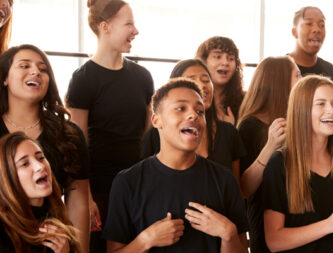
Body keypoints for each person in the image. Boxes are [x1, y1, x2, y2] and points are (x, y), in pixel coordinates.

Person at [104, 78, 248, 252]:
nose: (193, 115)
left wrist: (229, 233)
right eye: (181, 108)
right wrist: (145, 240)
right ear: (157, 120)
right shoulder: (128, 182)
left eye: (200, 111)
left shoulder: (224, 180)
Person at [66, 1, 154, 251]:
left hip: (138, 188)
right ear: (105, 27)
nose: (135, 31)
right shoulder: (83, 79)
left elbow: (149, 136)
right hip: (100, 192)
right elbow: (77, 143)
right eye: (128, 24)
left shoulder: (143, 77)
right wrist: (87, 197)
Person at [262, 75, 333, 252]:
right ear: (301, 110)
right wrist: (328, 225)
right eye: (321, 103)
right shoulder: (280, 164)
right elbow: (274, 241)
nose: (332, 110)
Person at [0, 44, 91, 250]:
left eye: (43, 69)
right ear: (5, 78)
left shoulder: (69, 133)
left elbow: (78, 202)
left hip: (51, 240)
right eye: (24, 66)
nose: (35, 72)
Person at [142, 59, 246, 182]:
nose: (201, 86)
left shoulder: (229, 132)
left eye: (206, 80)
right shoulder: (156, 134)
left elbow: (238, 189)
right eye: (191, 80)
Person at [237, 55, 300, 253]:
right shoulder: (249, 126)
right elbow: (244, 188)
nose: (303, 81)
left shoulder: (298, 122)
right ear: (280, 82)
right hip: (267, 225)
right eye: (298, 76)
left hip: (301, 219)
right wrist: (271, 146)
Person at [0, 132, 82, 253]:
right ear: (7, 178)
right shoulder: (3, 231)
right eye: (24, 164)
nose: (40, 166)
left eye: (41, 158)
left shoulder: (57, 217)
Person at [196, 36, 244, 125]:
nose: (225, 62)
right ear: (203, 61)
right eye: (218, 56)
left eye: (230, 58)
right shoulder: (193, 100)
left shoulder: (244, 102)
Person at [289, 6, 333, 89]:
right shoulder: (279, 68)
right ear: (294, 32)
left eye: (322, 25)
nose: (317, 29)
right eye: (309, 24)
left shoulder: (331, 71)